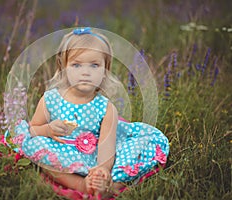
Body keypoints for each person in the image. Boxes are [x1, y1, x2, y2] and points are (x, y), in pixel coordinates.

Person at [10, 27, 169, 199]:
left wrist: (102, 170)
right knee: (39, 149)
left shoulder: (106, 108)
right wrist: (47, 130)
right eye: (76, 65)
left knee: (139, 147)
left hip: (96, 156)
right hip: (61, 152)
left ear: (104, 70)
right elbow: (32, 131)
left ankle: (108, 185)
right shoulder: (50, 100)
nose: (85, 72)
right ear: (63, 67)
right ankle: (80, 185)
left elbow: (107, 148)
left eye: (94, 65)